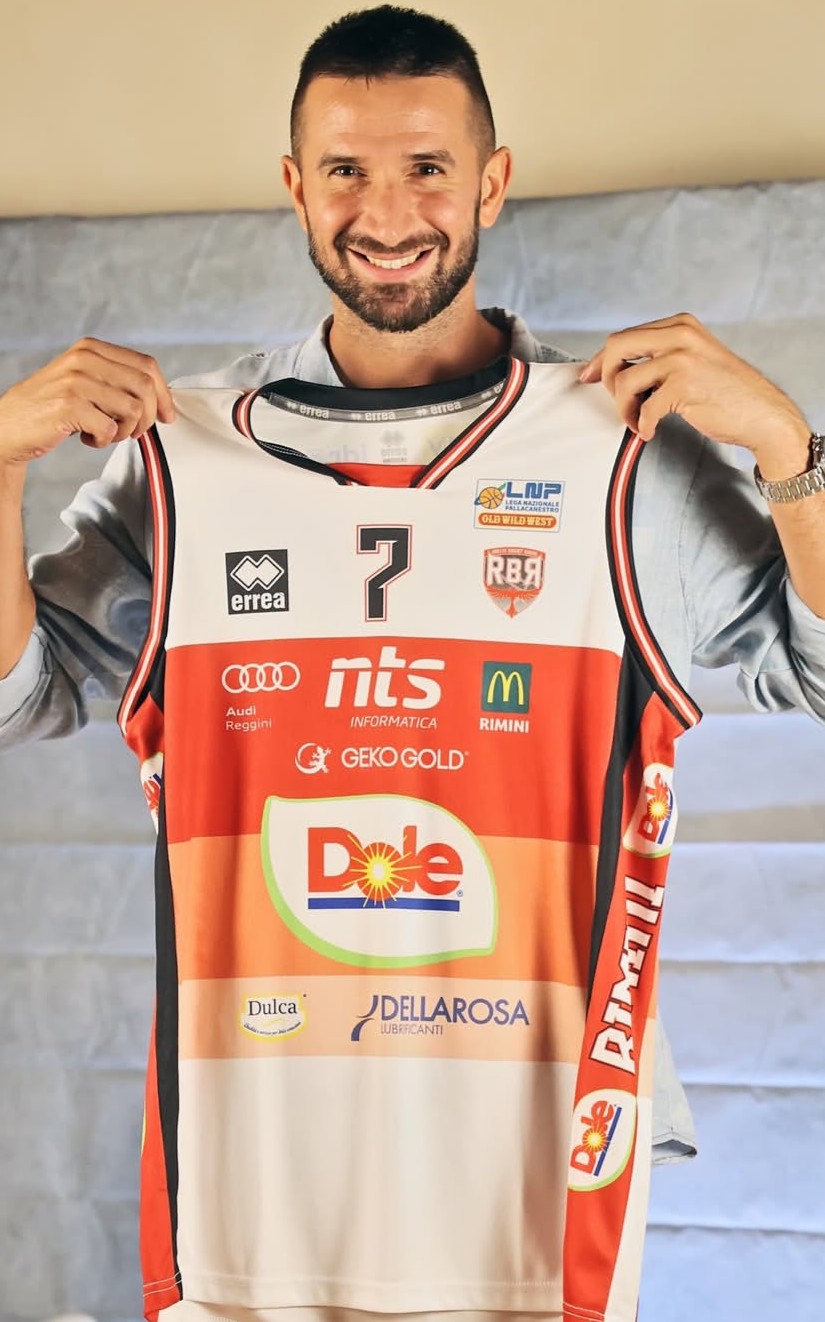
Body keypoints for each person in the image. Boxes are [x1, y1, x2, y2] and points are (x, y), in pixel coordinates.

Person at [1, 7, 824, 1322]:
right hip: (256, 1167)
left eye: (427, 167)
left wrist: (791, 447)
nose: (386, 213)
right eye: (347, 169)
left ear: (493, 181)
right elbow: (18, 695)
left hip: (533, 1166)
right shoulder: (181, 459)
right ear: (294, 186)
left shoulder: (623, 452)